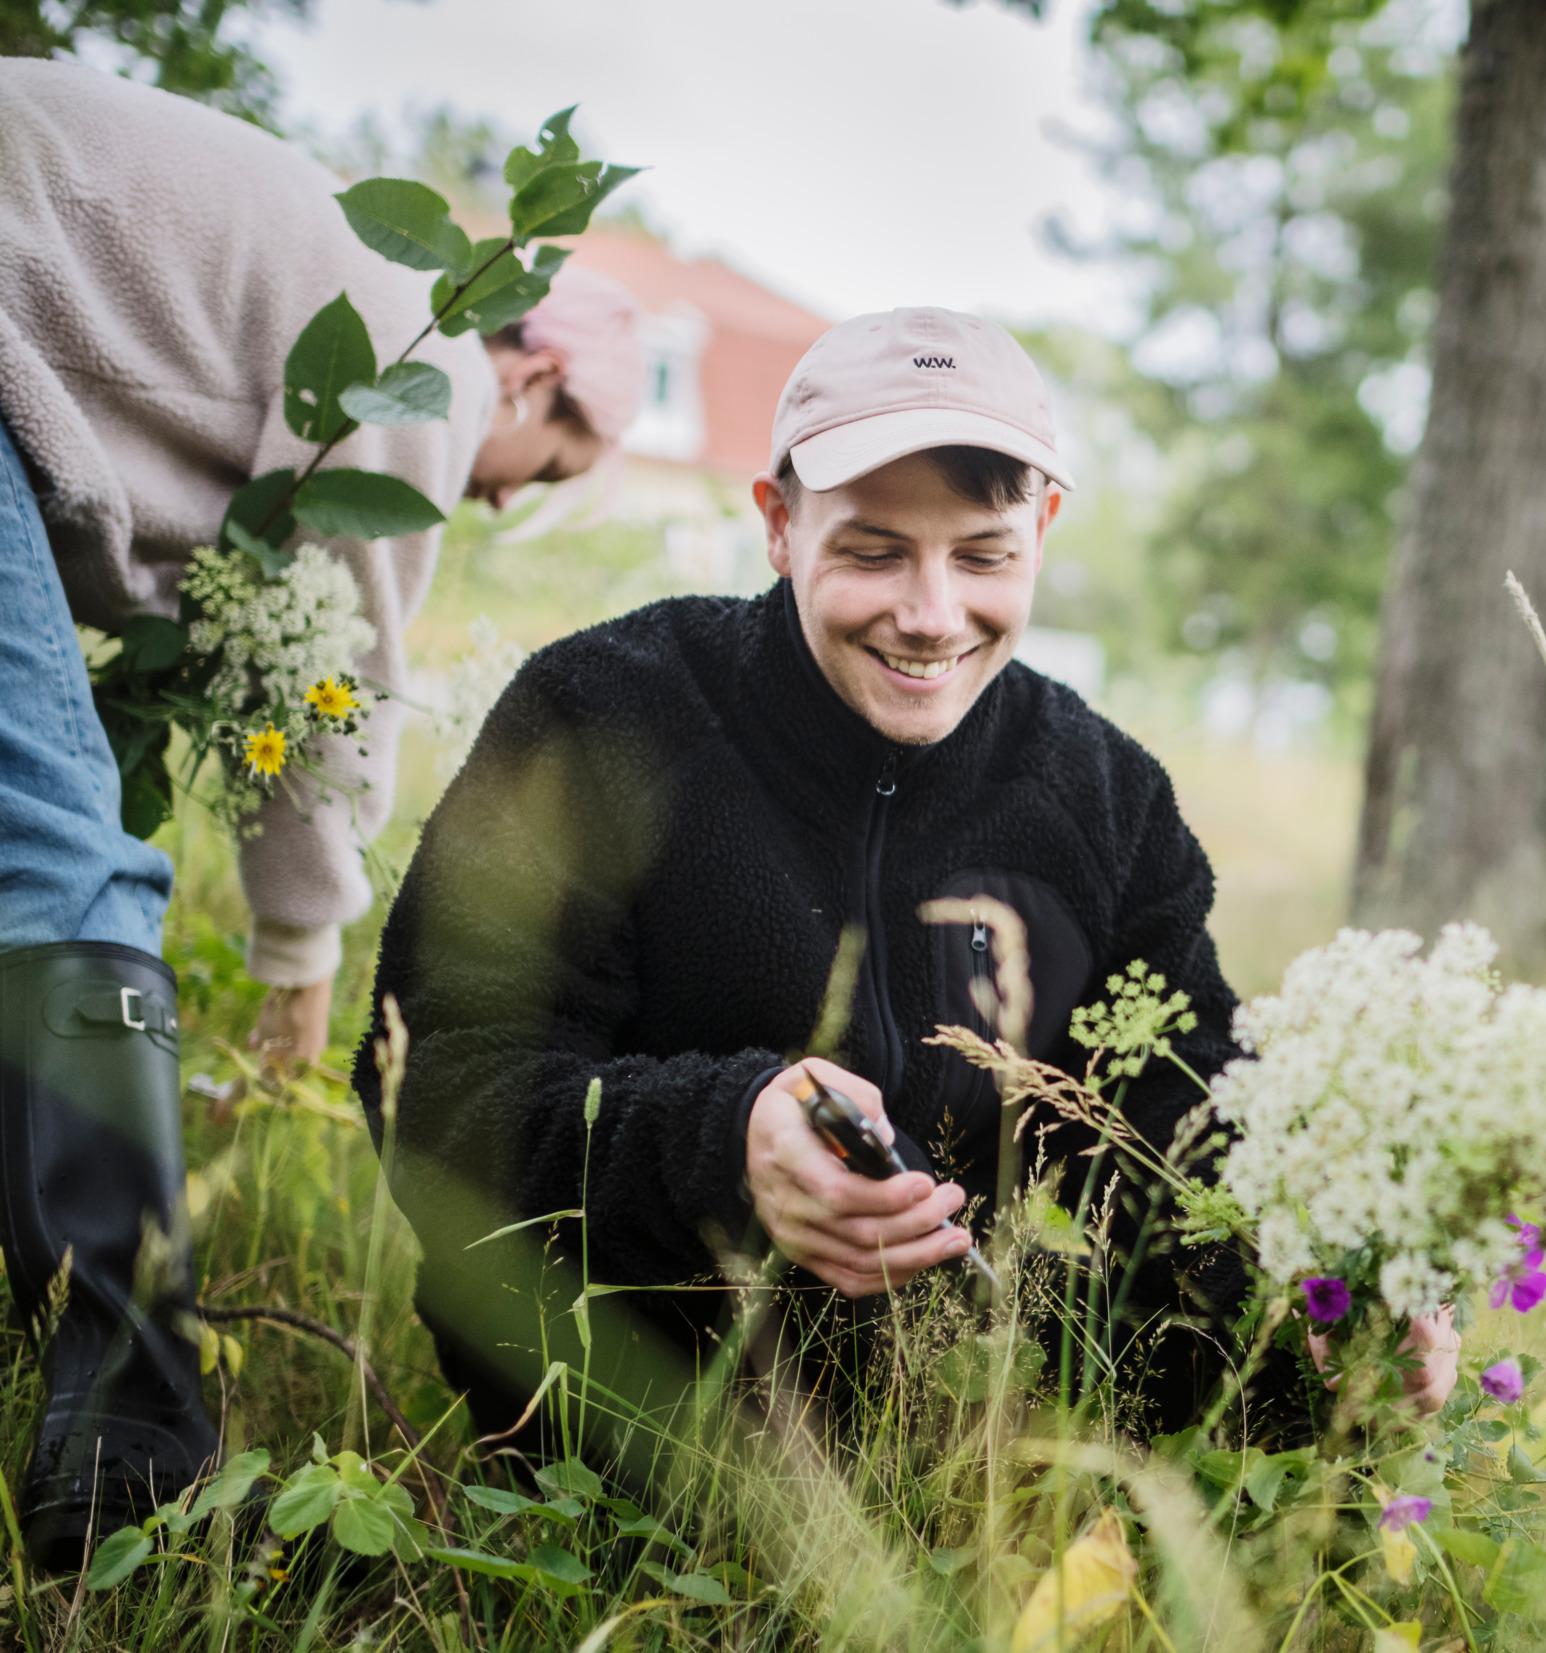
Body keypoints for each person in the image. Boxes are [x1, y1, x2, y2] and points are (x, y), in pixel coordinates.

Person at [355, 307, 1458, 1478]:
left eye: (983, 555)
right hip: (618, 1457)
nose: (930, 616)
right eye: (873, 551)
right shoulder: (598, 714)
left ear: (1043, 525)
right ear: (777, 525)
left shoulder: (1107, 798)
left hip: (978, 1471)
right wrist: (724, 1145)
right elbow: (434, 1082)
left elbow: (1182, 1148)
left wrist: (1330, 1311)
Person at [0, 59, 644, 1570]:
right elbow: (326, 693)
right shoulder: (422, 380)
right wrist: (301, 958)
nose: (499, 504)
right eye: (543, 473)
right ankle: (132, 1452)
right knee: (63, 852)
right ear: (534, 380)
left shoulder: (323, 256)